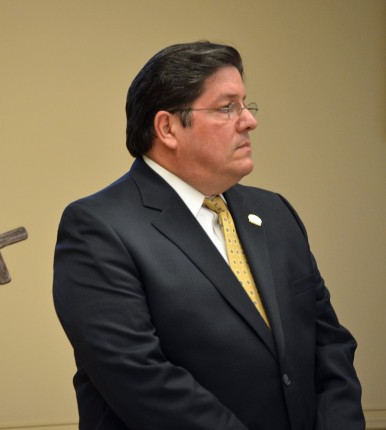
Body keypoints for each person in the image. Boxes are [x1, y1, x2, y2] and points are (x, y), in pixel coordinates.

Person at [53, 41, 364, 430]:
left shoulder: (275, 213)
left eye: (246, 105)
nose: (249, 121)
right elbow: (142, 380)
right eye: (226, 107)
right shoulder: (98, 228)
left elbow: (329, 344)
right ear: (167, 128)